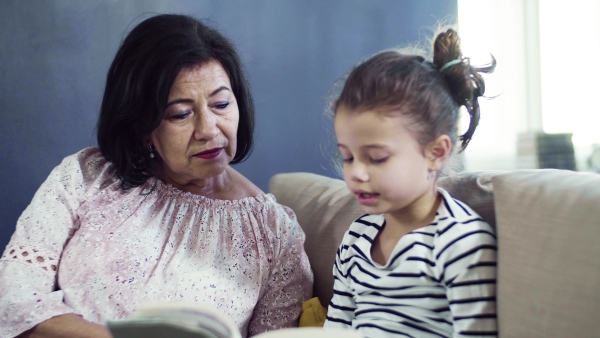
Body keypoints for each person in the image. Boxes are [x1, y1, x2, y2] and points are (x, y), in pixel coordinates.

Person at [0, 14, 313, 338]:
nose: (208, 129)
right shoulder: (86, 177)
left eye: (221, 104)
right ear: (142, 125)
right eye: (181, 113)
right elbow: (13, 302)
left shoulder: (275, 235)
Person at [323, 28, 497, 337]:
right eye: (348, 157)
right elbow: (336, 330)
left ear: (435, 152)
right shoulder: (356, 240)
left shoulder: (459, 243)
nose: (357, 173)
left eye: (376, 158)